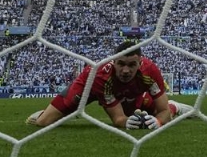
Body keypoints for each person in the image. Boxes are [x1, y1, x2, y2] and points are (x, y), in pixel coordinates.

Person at [27, 41, 193, 129]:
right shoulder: (102, 75)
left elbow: (162, 112)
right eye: (121, 64)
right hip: (89, 86)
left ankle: (175, 106)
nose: (126, 70)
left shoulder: (150, 71)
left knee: (147, 114)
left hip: (123, 90)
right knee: (43, 123)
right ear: (113, 62)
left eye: (132, 65)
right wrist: (124, 122)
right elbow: (118, 119)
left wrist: (158, 122)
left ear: (140, 63)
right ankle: (61, 111)